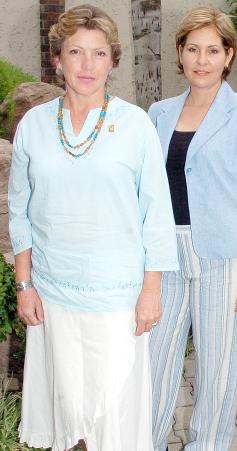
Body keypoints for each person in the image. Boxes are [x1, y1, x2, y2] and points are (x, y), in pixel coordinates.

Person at [8, 4, 178, 450]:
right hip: (52, 292)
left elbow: (155, 213)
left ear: (113, 60)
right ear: (57, 59)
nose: (87, 65)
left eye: (99, 53)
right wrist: (23, 284)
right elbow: (20, 209)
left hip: (117, 296)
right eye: (76, 52)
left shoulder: (136, 125)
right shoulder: (34, 126)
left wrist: (151, 291)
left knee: (114, 415)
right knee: (69, 408)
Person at [148, 6, 237, 450]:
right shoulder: (158, 113)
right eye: (193, 49)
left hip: (225, 257)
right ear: (180, 54)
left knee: (217, 373)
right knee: (153, 364)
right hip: (165, 256)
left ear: (228, 56)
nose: (202, 60)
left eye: (213, 50)